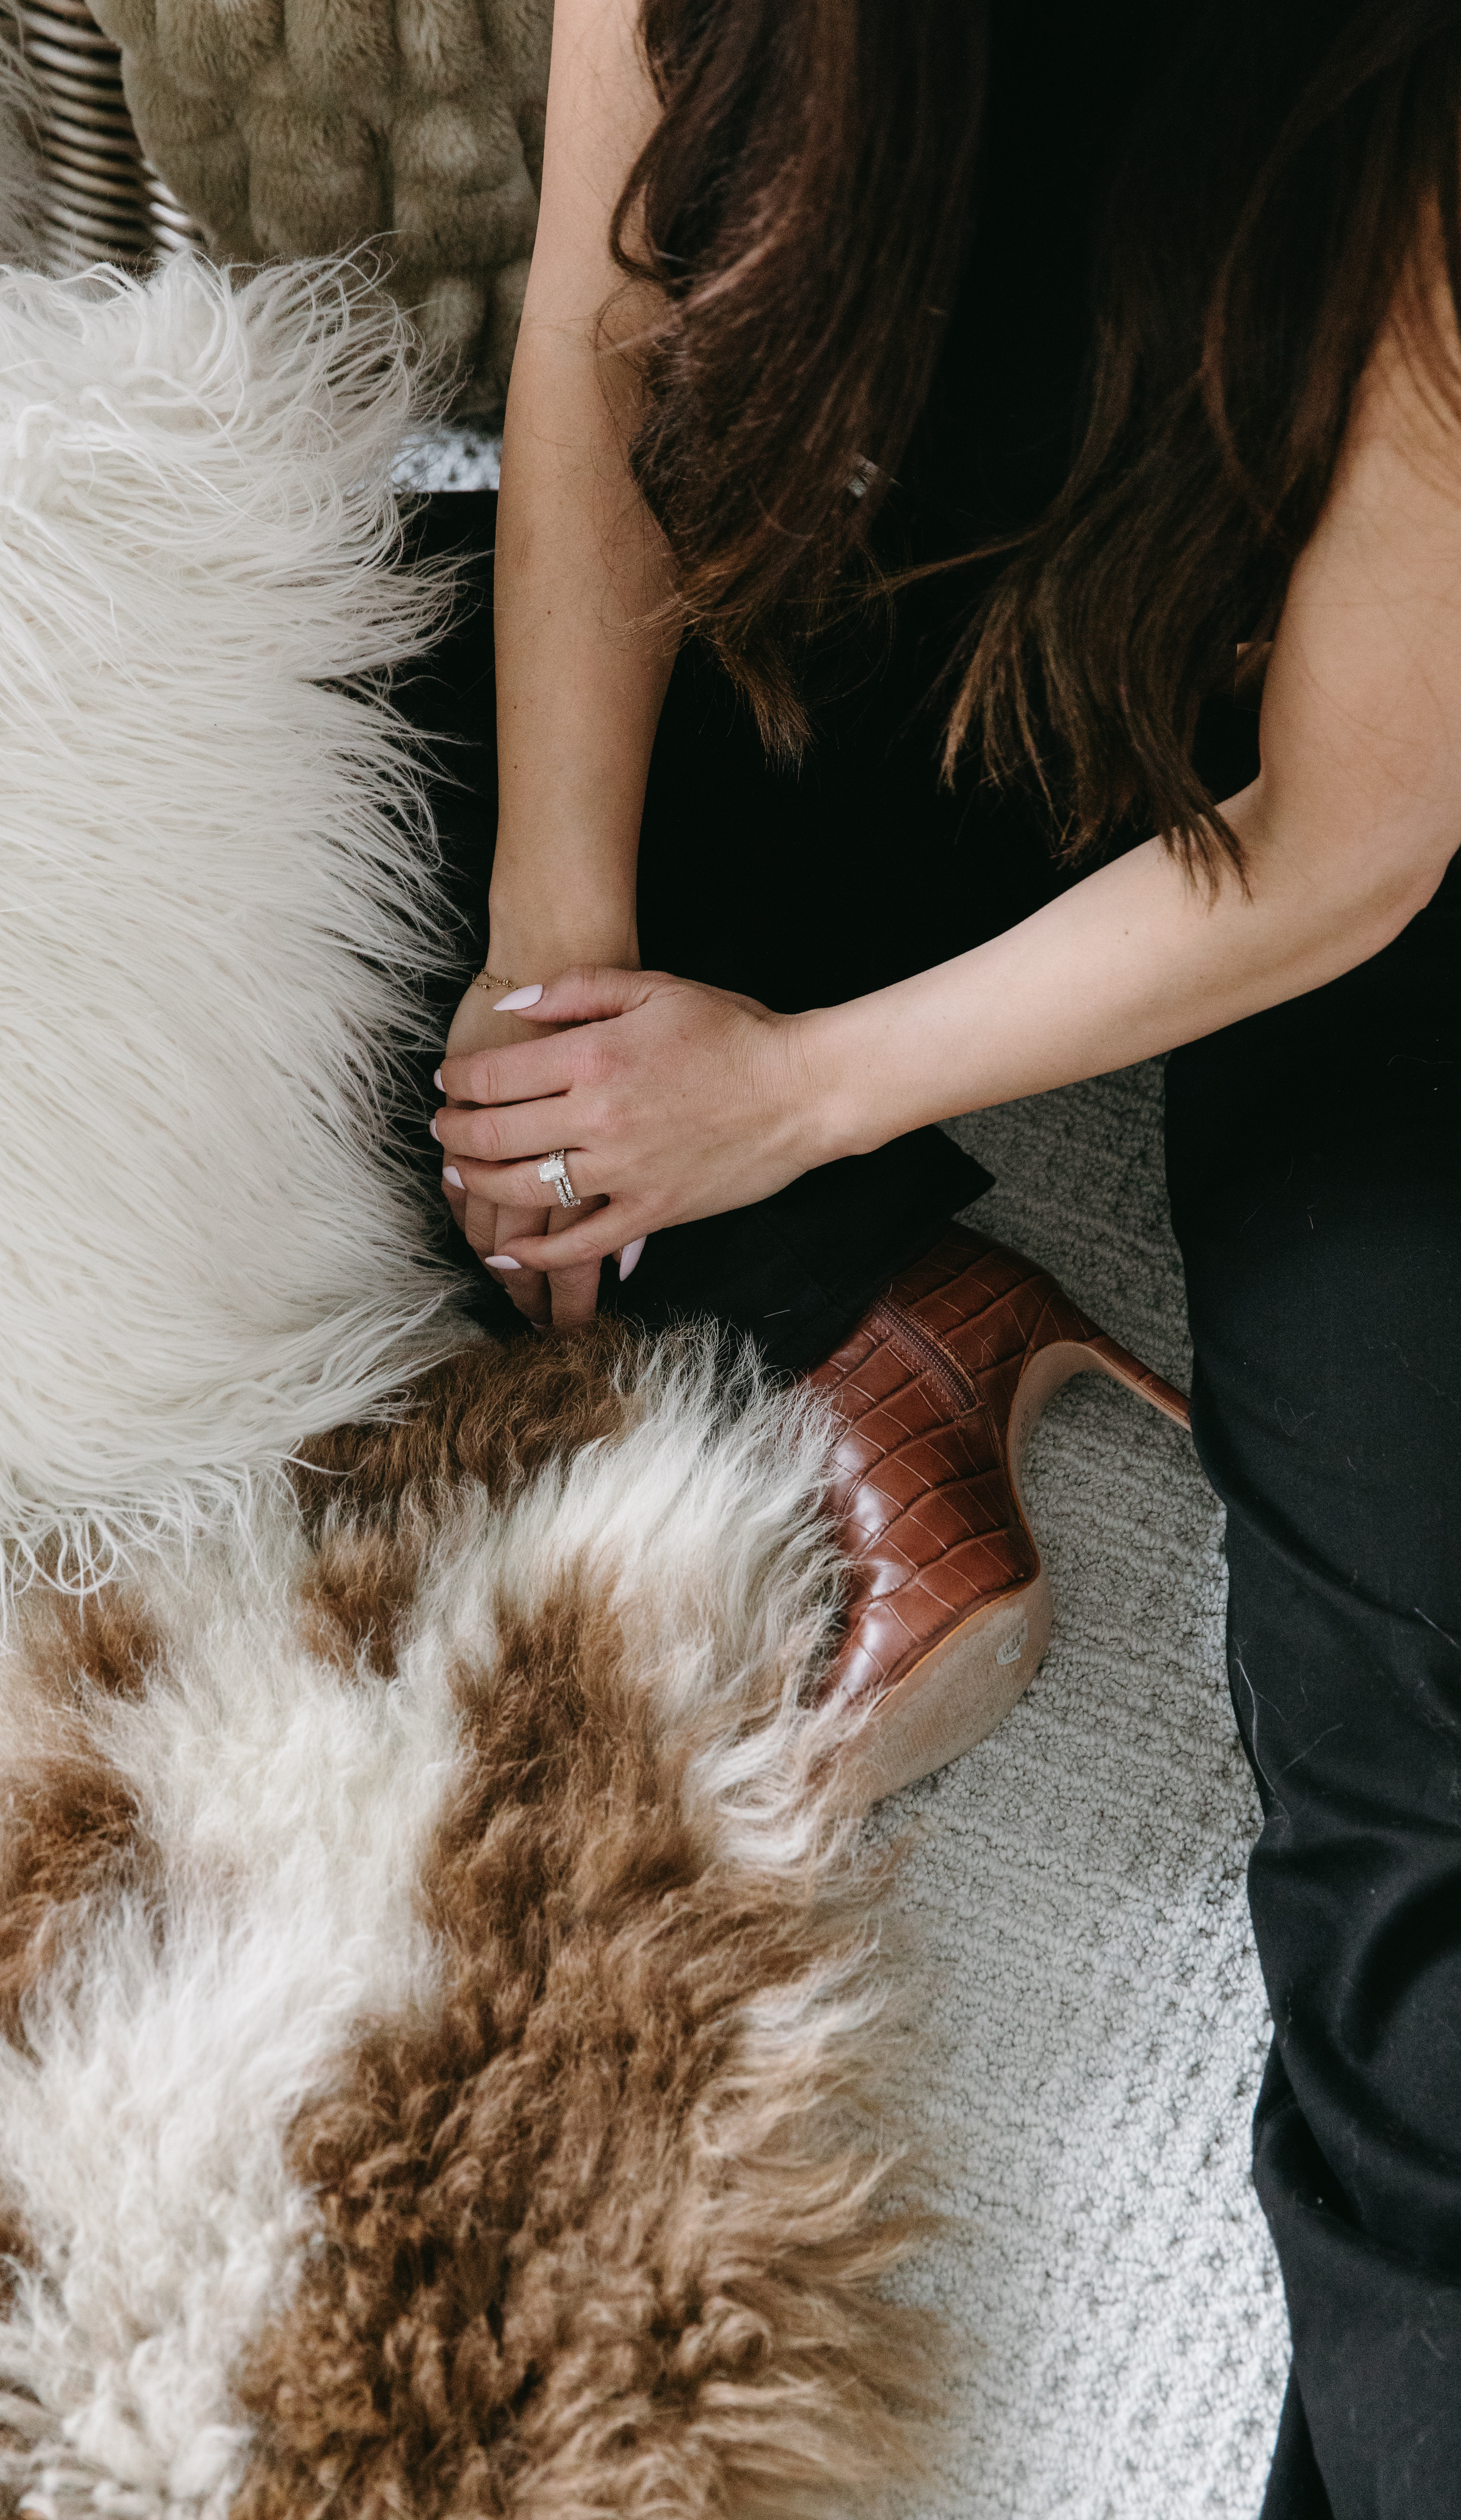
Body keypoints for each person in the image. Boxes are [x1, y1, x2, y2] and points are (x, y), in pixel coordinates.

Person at [405, 3, 1461, 2512]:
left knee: (1405, 1761)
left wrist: (785, 1094)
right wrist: (563, 1000)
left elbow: (1349, 831)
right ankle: (899, 1322)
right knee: (277, 765)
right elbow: (599, 330)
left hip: (1356, 830)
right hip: (961, 632)